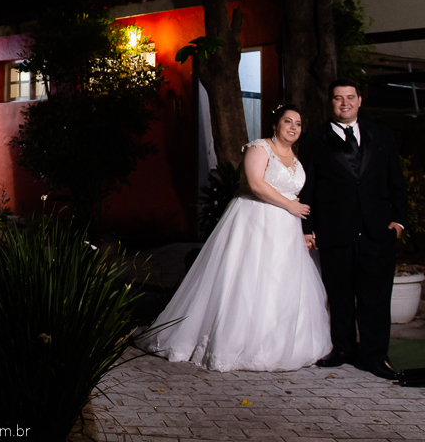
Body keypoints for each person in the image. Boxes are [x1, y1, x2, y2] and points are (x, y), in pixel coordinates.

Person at [137, 105, 331, 371]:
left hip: (285, 229)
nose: (293, 127)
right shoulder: (259, 148)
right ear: (275, 125)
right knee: (248, 279)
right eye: (288, 121)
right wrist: (289, 206)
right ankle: (234, 342)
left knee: (278, 282)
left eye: (298, 123)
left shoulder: (296, 159)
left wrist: (300, 229)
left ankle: (276, 344)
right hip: (255, 222)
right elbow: (256, 184)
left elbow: (294, 197)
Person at [299, 78, 407, 380]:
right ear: (330, 102)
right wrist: (307, 227)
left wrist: (398, 222)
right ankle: (343, 348)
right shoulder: (313, 140)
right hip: (335, 230)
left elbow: (395, 179)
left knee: (376, 297)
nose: (344, 103)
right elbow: (306, 187)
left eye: (350, 97)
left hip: (377, 231)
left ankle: (375, 356)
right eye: (338, 98)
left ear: (360, 100)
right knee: (340, 294)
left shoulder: (381, 134)